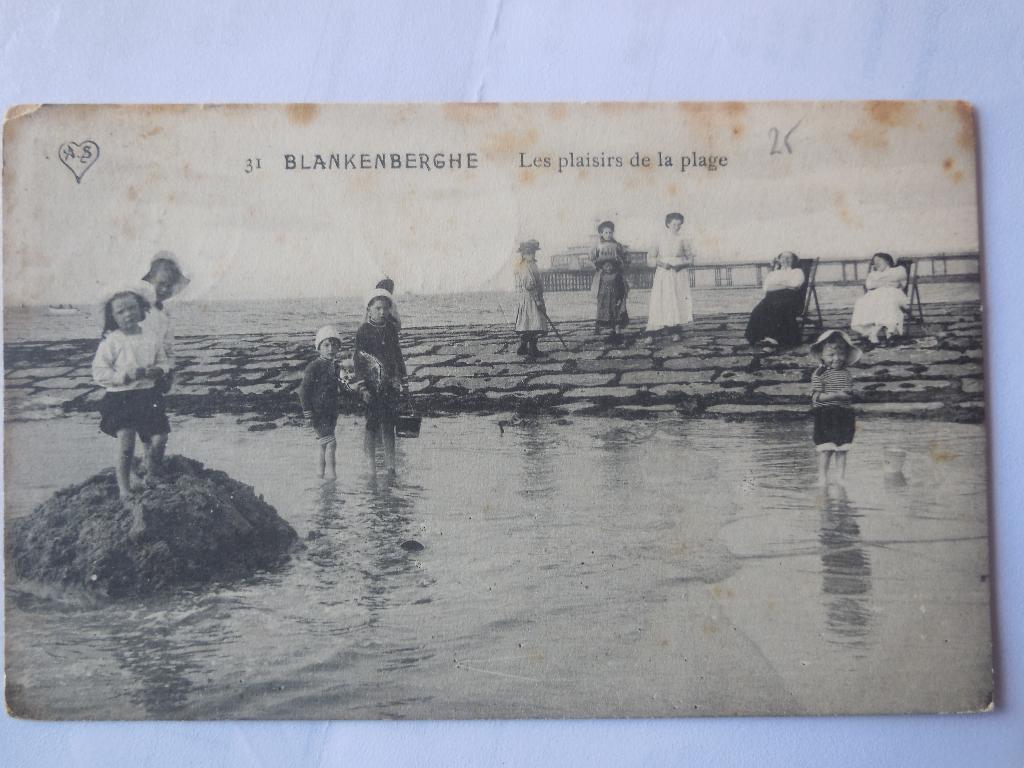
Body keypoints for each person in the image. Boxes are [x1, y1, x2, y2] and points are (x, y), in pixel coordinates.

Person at [91, 288, 172, 503]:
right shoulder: (111, 341)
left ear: (141, 309)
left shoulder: (151, 337)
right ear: (113, 317)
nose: (127, 314)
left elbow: (163, 361)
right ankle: (124, 488)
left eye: (131, 308)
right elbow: (99, 373)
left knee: (159, 437)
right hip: (121, 398)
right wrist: (124, 376)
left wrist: (159, 370)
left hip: (148, 395)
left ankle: (151, 473)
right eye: (120, 311)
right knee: (126, 444)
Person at [353, 289, 408, 477]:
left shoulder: (391, 329)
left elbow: (397, 355)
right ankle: (371, 468)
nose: (382, 312)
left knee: (389, 425)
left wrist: (402, 378)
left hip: (390, 384)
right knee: (371, 425)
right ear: (369, 309)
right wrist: (361, 387)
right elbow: (358, 361)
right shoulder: (363, 331)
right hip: (370, 385)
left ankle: (391, 466)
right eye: (378, 308)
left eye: (385, 308)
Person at [810, 329, 862, 487]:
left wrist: (847, 395)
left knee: (842, 449)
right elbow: (816, 397)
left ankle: (840, 477)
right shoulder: (819, 373)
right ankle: (823, 478)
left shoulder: (847, 373)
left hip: (844, 414)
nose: (836, 358)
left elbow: (848, 392)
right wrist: (836, 395)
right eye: (831, 355)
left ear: (846, 354)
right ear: (821, 355)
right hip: (825, 414)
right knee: (826, 449)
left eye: (840, 354)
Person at [298, 325, 345, 479]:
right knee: (331, 443)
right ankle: (331, 477)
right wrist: (307, 413)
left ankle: (320, 475)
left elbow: (343, 385)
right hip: (318, 412)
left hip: (331, 412)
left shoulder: (336, 366)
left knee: (324, 444)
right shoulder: (314, 366)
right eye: (326, 345)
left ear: (338, 347)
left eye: (334, 345)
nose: (331, 348)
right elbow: (303, 391)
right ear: (319, 348)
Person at [139, 251, 189, 392]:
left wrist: (169, 372)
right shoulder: (138, 310)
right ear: (150, 280)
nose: (164, 289)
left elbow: (168, 347)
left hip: (159, 374)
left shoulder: (165, 314)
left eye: (169, 285)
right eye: (160, 283)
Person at [645, 212, 694, 342]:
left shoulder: (683, 239)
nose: (676, 227)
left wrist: (682, 265)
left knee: (676, 300)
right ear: (668, 224)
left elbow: (690, 258)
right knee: (661, 299)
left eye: (679, 224)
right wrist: (661, 263)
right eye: (674, 224)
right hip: (664, 273)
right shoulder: (659, 238)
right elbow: (650, 257)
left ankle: (675, 330)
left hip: (678, 273)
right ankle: (653, 330)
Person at [745, 251, 806, 352]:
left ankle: (772, 340)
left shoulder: (797, 272)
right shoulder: (773, 273)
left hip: (790, 299)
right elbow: (766, 287)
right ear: (779, 260)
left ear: (794, 260)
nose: (785, 260)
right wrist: (786, 285)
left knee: (776, 308)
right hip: (771, 298)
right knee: (758, 310)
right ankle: (762, 337)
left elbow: (796, 285)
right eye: (783, 258)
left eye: (789, 258)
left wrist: (777, 285)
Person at [851, 252, 908, 345]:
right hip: (876, 294)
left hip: (893, 293)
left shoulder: (897, 270)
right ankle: (874, 331)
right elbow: (869, 285)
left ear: (887, 261)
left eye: (879, 261)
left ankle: (885, 332)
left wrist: (879, 282)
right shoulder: (873, 273)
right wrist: (886, 282)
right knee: (861, 302)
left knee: (885, 301)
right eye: (874, 262)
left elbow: (898, 279)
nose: (876, 263)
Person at [589, 221, 630, 344]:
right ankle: (603, 324)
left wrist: (622, 264)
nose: (608, 234)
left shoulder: (617, 245)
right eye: (605, 232)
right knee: (604, 301)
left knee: (618, 300)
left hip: (616, 275)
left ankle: (617, 327)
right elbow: (592, 258)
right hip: (603, 277)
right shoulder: (598, 245)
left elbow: (626, 257)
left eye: (610, 232)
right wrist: (598, 265)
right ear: (601, 233)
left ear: (613, 233)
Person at [513, 239, 549, 358]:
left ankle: (524, 346)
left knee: (527, 322)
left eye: (532, 252)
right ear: (523, 254)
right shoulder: (524, 266)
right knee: (533, 322)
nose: (531, 255)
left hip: (529, 298)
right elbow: (529, 285)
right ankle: (532, 349)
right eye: (528, 253)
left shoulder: (532, 264)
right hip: (530, 299)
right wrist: (538, 300)